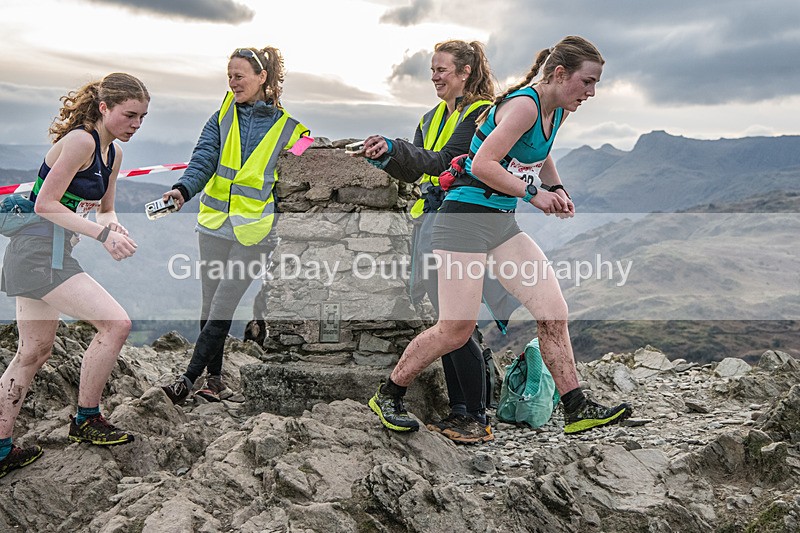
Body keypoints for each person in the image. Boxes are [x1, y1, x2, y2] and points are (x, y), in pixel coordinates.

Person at [369, 35, 632, 436]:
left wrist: (557, 188)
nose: (592, 92)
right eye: (588, 81)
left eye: (596, 83)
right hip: (462, 222)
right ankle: (389, 394)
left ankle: (576, 407)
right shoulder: (525, 105)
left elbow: (539, 154)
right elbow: (482, 164)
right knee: (455, 329)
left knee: (552, 311)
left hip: (499, 224)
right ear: (560, 74)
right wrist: (535, 195)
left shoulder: (557, 108)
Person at [355, 40, 518, 444]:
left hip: (464, 224)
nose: (434, 76)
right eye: (432, 70)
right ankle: (466, 408)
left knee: (454, 320)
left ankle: (471, 412)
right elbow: (416, 171)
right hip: (433, 223)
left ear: (465, 72)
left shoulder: (482, 114)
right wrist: (386, 157)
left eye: (442, 69)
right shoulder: (430, 117)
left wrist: (395, 147)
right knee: (452, 319)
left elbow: (446, 161)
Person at [0, 73, 148, 478]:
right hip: (36, 255)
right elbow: (45, 203)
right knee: (116, 324)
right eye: (129, 115)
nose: (136, 124)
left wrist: (113, 229)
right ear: (104, 108)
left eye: (142, 117)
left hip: (48, 255)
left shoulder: (112, 154)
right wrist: (101, 235)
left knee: (33, 352)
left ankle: (0, 449)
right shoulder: (81, 142)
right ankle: (86, 419)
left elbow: (105, 209)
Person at [161, 46, 311, 405]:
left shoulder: (289, 128)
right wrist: (183, 190)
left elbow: (310, 155)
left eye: (239, 76)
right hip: (213, 224)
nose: (232, 83)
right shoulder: (220, 118)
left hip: (255, 232)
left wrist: (309, 152)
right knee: (209, 305)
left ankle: (187, 380)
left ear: (262, 78)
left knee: (224, 304)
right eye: (229, 76)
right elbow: (203, 160)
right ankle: (214, 381)